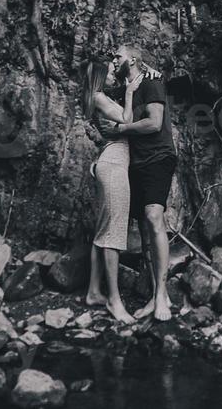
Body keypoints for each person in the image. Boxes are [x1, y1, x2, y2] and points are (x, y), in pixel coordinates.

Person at [98, 44, 176, 321]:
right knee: (143, 231)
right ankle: (158, 295)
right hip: (135, 163)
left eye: (117, 56)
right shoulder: (122, 90)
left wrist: (121, 129)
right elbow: (97, 86)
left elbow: (154, 124)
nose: (114, 59)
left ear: (132, 58)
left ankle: (161, 298)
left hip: (158, 156)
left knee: (154, 216)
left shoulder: (152, 81)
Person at [81, 60, 137, 323]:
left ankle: (93, 291)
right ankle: (115, 301)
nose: (116, 75)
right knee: (113, 232)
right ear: (101, 76)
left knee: (103, 230)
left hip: (109, 160)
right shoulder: (99, 97)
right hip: (114, 164)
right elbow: (128, 120)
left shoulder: (96, 98)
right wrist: (129, 92)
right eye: (112, 73)